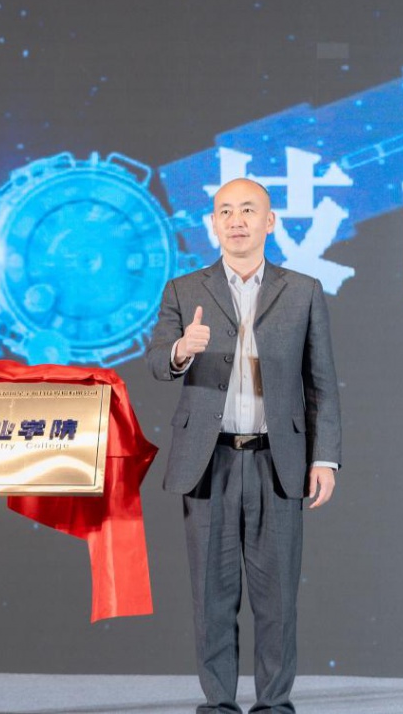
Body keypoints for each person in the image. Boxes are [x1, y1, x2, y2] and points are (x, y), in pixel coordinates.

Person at [144, 178, 341, 713]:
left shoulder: (302, 290)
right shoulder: (184, 290)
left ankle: (274, 704)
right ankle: (218, 703)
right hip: (208, 462)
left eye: (248, 210)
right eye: (225, 211)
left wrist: (324, 458)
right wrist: (182, 349)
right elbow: (158, 362)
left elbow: (321, 383)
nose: (236, 220)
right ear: (213, 224)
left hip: (279, 461)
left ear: (269, 221)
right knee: (212, 595)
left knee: (277, 597)